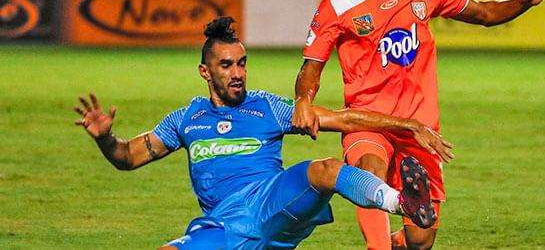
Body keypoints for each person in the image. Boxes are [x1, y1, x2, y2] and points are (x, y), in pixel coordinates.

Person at [292, 0, 545, 250]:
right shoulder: (339, 5)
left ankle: (398, 243)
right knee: (369, 172)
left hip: (420, 130)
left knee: (420, 241)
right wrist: (303, 100)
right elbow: (310, 68)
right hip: (368, 124)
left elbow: (484, 13)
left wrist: (524, 1)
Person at [73, 17, 455, 249]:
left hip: (275, 204)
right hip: (225, 225)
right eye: (226, 65)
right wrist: (106, 138)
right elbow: (128, 157)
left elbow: (344, 119)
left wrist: (407, 124)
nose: (237, 73)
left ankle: (402, 203)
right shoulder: (185, 120)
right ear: (206, 72)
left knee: (323, 170)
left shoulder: (266, 107)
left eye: (242, 63)